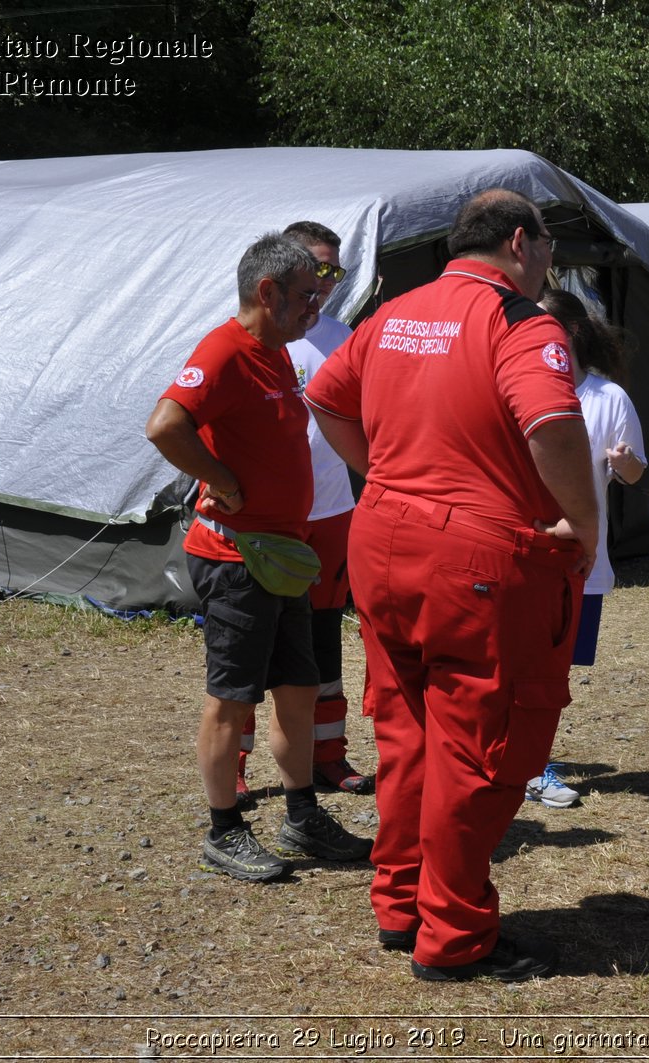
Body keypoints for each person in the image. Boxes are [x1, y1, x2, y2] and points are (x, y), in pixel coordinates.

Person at [304, 189, 600, 982]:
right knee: (481, 745)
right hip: (475, 560)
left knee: (407, 736)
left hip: (383, 541)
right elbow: (553, 426)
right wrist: (586, 520)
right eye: (546, 247)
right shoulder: (519, 323)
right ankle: (454, 935)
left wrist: (385, 475)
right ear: (518, 242)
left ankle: (401, 904)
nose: (548, 263)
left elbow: (326, 399)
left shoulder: (396, 312)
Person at [145, 232, 373, 883]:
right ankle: (224, 831)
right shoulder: (225, 350)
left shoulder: (276, 353)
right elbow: (165, 423)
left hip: (281, 558)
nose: (316, 305)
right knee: (231, 697)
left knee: (297, 689)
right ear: (266, 292)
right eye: (305, 294)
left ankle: (302, 815)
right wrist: (216, 476)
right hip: (235, 558)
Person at [220, 220, 374, 803]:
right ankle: (234, 762)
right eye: (315, 269)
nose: (324, 283)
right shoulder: (249, 334)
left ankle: (327, 755)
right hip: (267, 516)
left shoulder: (343, 335)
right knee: (254, 639)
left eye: (333, 271)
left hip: (332, 508)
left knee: (321, 635)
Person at [526, 289, 648, 810]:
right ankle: (522, 763)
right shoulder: (517, 387)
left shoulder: (607, 398)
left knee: (554, 671)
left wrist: (622, 463)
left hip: (582, 560)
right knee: (522, 664)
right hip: (523, 551)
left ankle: (532, 764)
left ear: (569, 335)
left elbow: (638, 469)